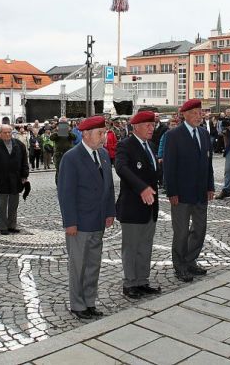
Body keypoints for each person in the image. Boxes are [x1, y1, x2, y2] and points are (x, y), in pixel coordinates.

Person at [57, 116, 115, 319]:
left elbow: (108, 186)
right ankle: (78, 304)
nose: (103, 137)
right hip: (80, 224)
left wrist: (109, 212)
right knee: (79, 266)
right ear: (86, 134)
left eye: (104, 132)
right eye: (100, 133)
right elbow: (66, 193)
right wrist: (70, 222)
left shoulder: (104, 155)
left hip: (98, 221)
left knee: (93, 265)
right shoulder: (72, 158)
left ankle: (90, 301)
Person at [163, 99, 214, 283]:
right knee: (182, 232)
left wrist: (210, 186)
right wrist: (171, 192)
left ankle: (190, 260)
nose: (198, 116)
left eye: (200, 112)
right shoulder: (174, 135)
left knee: (200, 229)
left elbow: (208, 163)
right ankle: (180, 266)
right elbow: (169, 166)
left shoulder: (203, 133)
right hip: (181, 193)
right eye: (194, 113)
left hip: (200, 192)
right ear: (184, 115)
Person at [115, 111, 162, 299]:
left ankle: (142, 281)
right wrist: (142, 188)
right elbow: (122, 168)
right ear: (136, 126)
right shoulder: (125, 145)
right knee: (131, 247)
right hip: (133, 205)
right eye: (147, 125)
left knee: (145, 245)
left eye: (153, 125)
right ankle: (130, 283)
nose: (152, 128)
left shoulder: (151, 145)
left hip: (150, 206)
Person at [0, 125, 29, 235]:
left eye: (9, 132)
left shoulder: (19, 145)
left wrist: (24, 175)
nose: (7, 134)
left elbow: (25, 161)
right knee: (1, 205)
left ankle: (12, 225)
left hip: (16, 179)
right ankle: (3, 227)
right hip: (1, 180)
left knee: (14, 204)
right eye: (5, 132)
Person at [51, 117, 77, 184]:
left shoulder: (69, 130)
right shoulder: (56, 130)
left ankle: (69, 184)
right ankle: (59, 185)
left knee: (69, 169)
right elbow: (52, 138)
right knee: (59, 170)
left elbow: (74, 137)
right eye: (62, 123)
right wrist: (58, 132)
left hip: (69, 154)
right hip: (59, 154)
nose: (63, 124)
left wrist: (68, 132)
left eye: (64, 123)